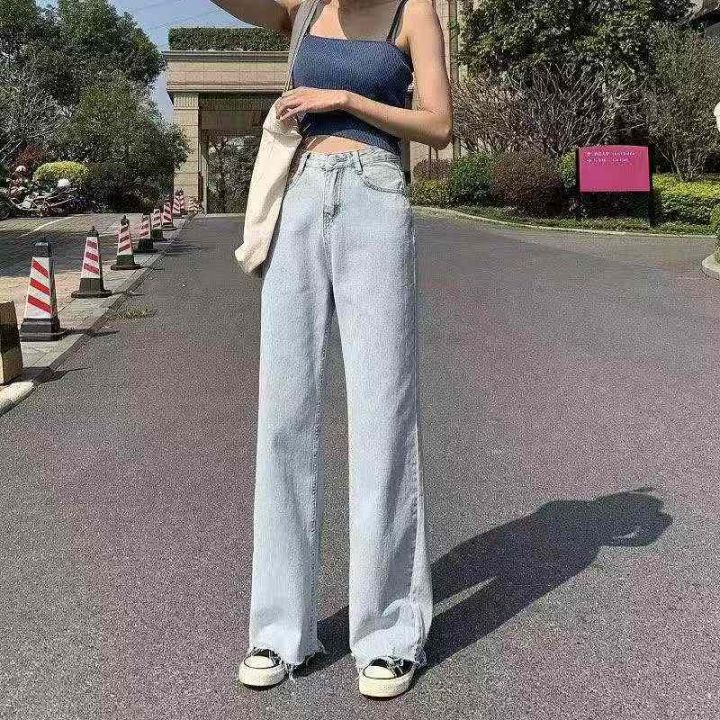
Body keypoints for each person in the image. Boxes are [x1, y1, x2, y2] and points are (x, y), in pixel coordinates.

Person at [210, 0, 452, 699]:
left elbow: (439, 125)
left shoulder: (414, 12)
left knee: (382, 416)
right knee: (283, 416)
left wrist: (344, 99)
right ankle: (279, 630)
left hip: (375, 197)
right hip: (299, 199)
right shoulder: (305, 6)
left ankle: (390, 633)